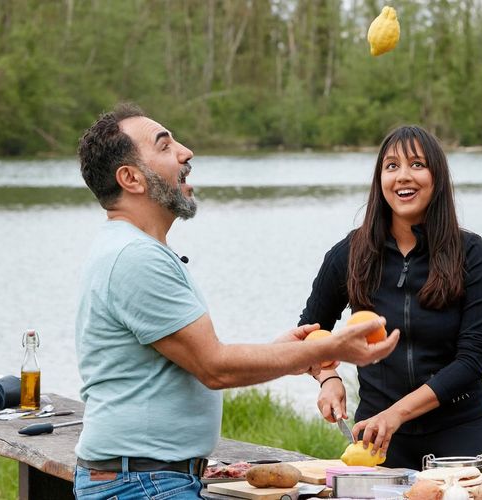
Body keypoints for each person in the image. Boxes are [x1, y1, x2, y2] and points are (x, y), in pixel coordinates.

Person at [73, 103, 400, 499]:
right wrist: (334, 348)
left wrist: (278, 351)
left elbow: (196, 362)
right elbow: (215, 368)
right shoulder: (135, 257)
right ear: (131, 178)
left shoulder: (135, 249)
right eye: (164, 146)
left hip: (147, 478)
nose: (185, 151)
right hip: (143, 483)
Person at [300, 125, 482, 469]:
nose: (402, 176)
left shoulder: (471, 254)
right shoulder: (350, 253)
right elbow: (309, 331)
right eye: (391, 166)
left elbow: (470, 362)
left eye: (417, 164)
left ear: (436, 177)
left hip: (460, 433)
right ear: (380, 180)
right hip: (375, 439)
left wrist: (396, 414)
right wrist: (328, 377)